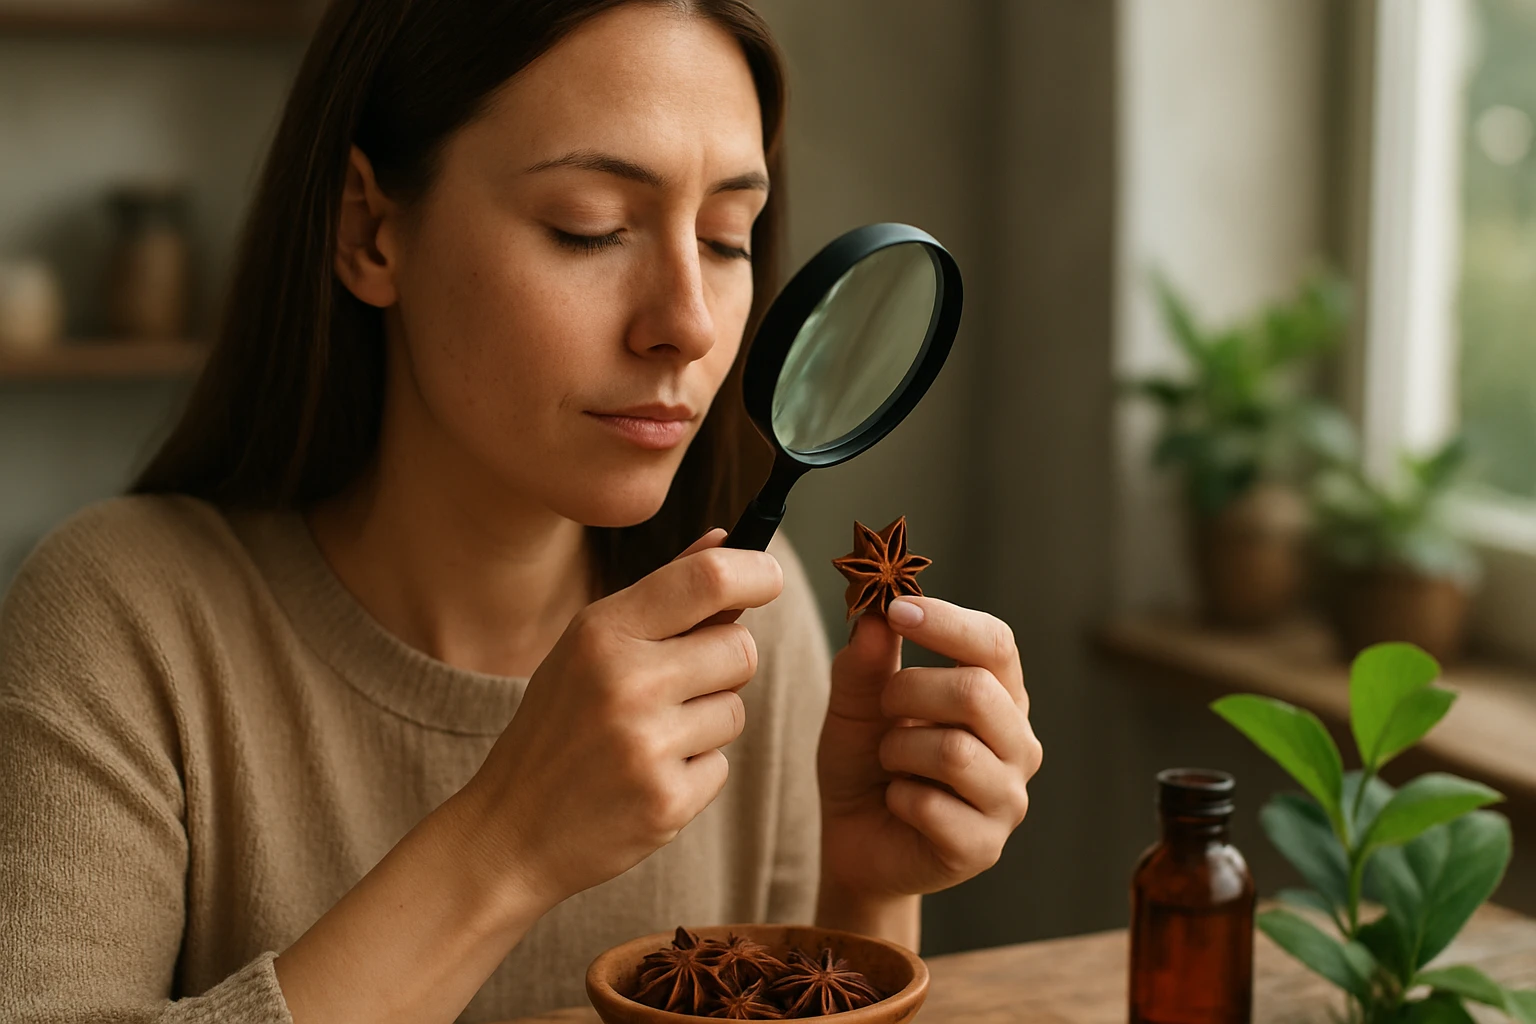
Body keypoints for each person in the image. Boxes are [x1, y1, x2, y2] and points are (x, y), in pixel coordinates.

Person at [0, 1, 1043, 1022]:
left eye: (729, 236)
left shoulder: (751, 632)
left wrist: (864, 893)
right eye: (589, 228)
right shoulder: (122, 618)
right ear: (370, 231)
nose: (687, 324)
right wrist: (508, 838)